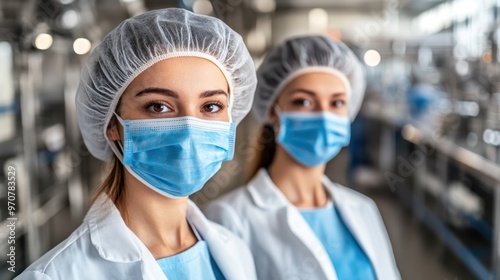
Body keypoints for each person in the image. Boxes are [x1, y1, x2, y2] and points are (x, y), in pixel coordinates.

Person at [16, 8, 257, 280]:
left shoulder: (234, 250)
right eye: (158, 106)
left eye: (211, 106)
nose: (189, 129)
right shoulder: (55, 275)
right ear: (111, 124)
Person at [205, 35, 400, 280]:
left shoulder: (363, 209)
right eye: (304, 101)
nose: (323, 115)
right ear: (273, 113)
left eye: (337, 102)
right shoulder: (229, 217)